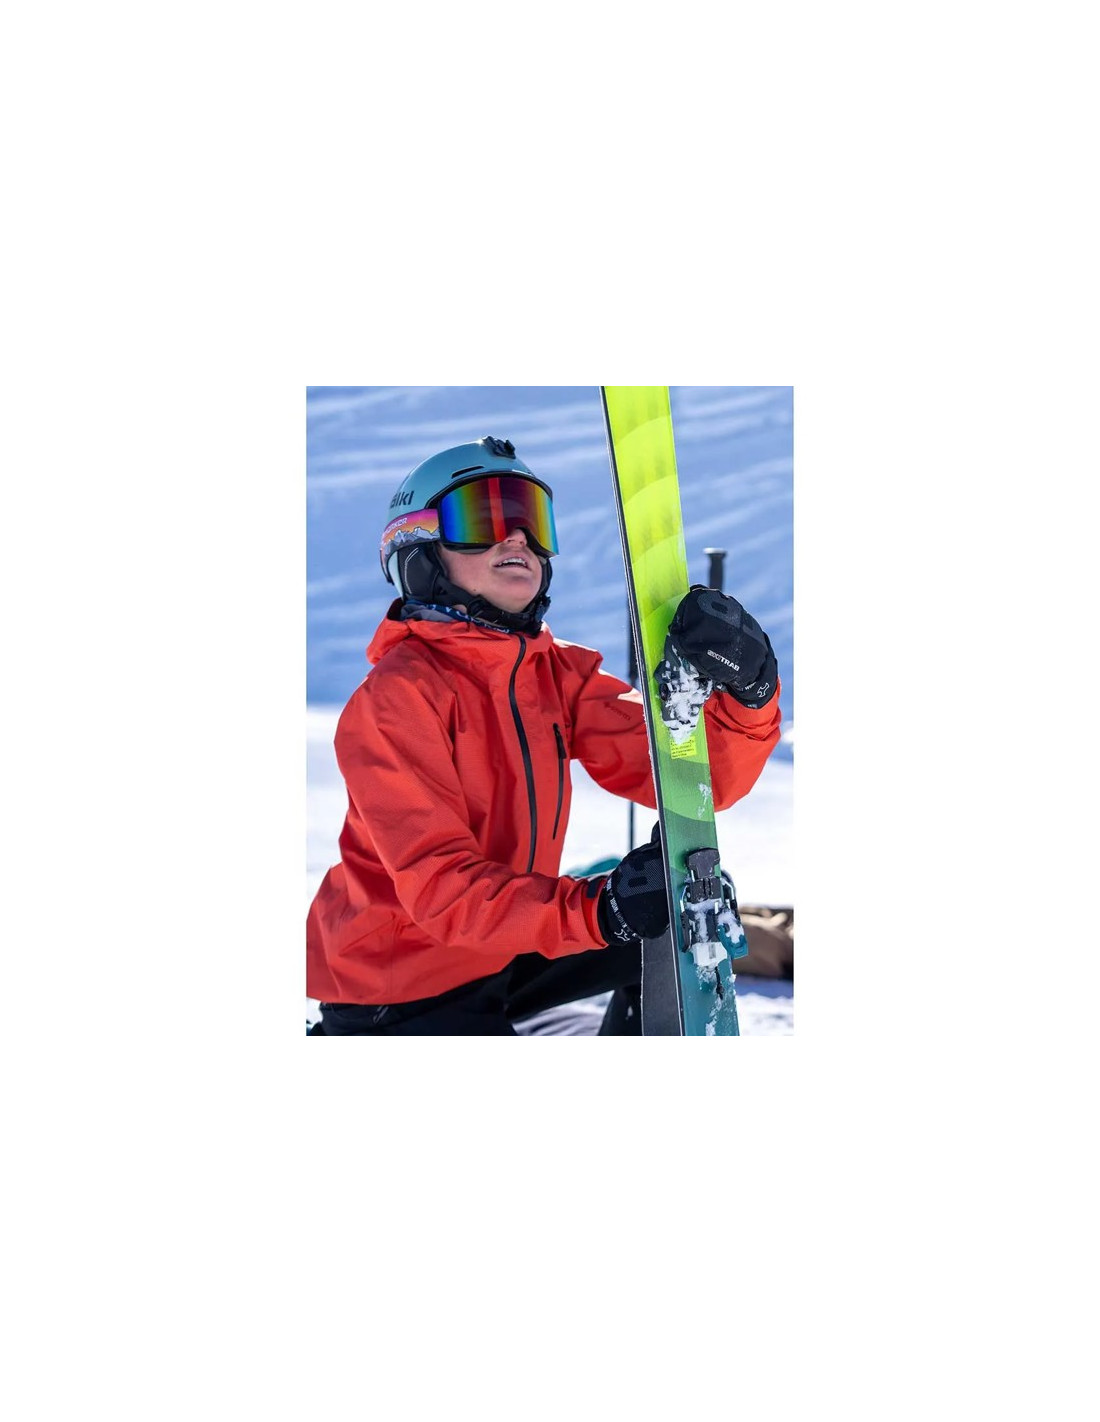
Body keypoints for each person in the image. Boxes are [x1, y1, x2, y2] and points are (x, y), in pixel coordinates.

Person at [306, 435, 782, 1035]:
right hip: (403, 983)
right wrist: (600, 911)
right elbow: (442, 891)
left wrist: (750, 697)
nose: (517, 538)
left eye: (531, 521)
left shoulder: (553, 672)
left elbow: (695, 779)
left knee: (669, 910)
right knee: (624, 915)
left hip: (505, 946)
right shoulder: (395, 700)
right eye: (482, 519)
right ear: (420, 553)